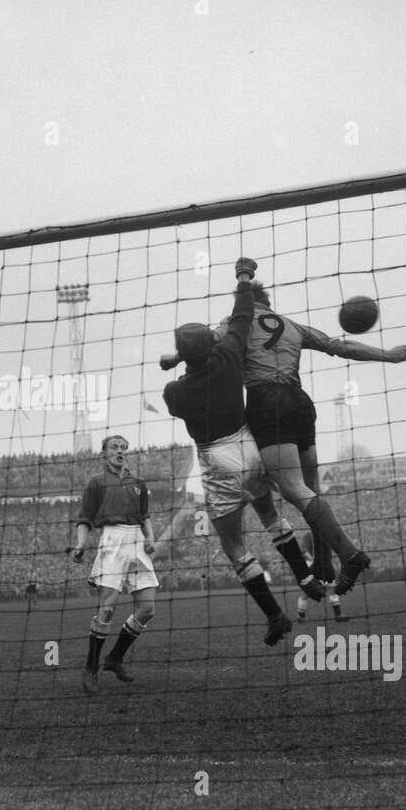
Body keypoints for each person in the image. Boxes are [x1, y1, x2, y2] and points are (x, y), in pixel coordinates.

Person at [218, 259, 406, 598]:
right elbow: (340, 347)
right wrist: (389, 355)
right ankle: (323, 562)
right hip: (300, 402)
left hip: (268, 402)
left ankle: (351, 555)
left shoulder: (236, 323)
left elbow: (207, 348)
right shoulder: (290, 324)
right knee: (313, 487)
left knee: (294, 490)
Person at [161, 262, 323, 647]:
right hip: (250, 446)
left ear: (186, 356)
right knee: (269, 513)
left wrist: (177, 363)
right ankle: (305, 577)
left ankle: (275, 616)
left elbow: (185, 380)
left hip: (218, 460)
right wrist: (244, 277)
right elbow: (242, 312)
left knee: (234, 546)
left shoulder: (175, 394)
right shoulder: (232, 352)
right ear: (213, 344)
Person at [70, 435, 159, 692]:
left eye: (123, 448)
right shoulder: (96, 483)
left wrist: (150, 537)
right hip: (113, 539)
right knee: (107, 608)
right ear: (104, 454)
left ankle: (115, 658)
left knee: (147, 609)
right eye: (114, 448)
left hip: (137, 541)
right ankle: (91, 667)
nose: (119, 452)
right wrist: (80, 544)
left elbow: (145, 516)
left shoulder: (138, 483)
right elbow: (85, 518)